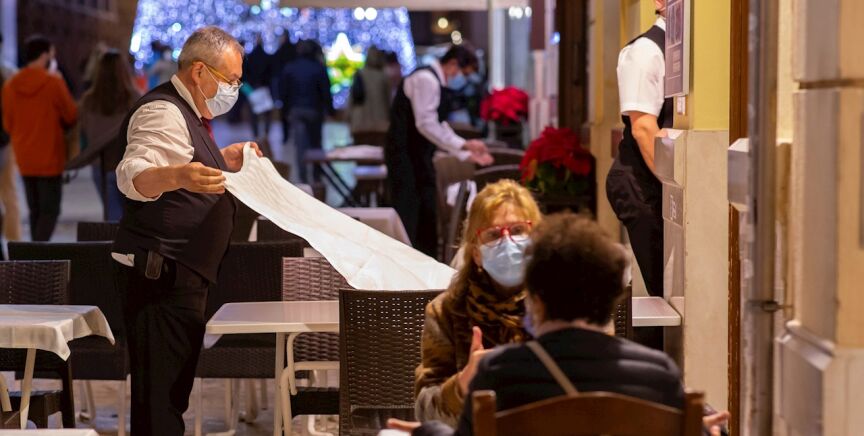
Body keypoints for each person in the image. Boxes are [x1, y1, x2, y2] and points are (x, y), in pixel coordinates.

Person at [393, 213, 731, 436]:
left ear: (536, 298)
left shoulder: (498, 376)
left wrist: (428, 431)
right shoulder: (658, 376)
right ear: (611, 297)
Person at [113, 26, 260, 435]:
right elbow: (133, 174)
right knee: (160, 403)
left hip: (181, 274)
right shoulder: (162, 111)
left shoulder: (189, 114)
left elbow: (183, 159)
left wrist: (222, 159)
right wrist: (177, 175)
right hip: (160, 274)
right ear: (199, 72)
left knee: (171, 396)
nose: (234, 89)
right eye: (231, 80)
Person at [414, 179, 541, 426]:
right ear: (476, 254)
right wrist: (461, 385)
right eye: (493, 234)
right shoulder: (447, 311)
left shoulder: (565, 302)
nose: (508, 243)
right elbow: (424, 410)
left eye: (517, 230)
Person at [386, 45, 493, 257]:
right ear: (453, 64)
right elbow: (426, 124)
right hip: (405, 157)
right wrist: (462, 147)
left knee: (426, 212)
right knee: (410, 214)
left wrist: (465, 148)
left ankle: (424, 260)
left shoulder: (435, 80)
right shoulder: (426, 79)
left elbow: (438, 124)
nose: (463, 79)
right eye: (464, 73)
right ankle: (407, 262)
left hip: (418, 156)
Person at [605, 0, 670, 298]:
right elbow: (643, 128)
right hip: (641, 185)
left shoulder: (678, 49)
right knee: (659, 289)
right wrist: (675, 190)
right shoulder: (645, 51)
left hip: (655, 182)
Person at [2, 35, 77, 241]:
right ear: (44, 56)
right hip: (50, 156)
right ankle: (38, 249)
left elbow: (7, 124)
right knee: (50, 210)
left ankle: (35, 249)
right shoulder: (54, 83)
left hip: (24, 156)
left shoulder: (10, 85)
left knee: (34, 209)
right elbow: (71, 115)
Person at [79, 49, 140, 221]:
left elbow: (85, 131)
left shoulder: (89, 101)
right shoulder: (134, 98)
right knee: (132, 217)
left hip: (101, 164)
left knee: (112, 218)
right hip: (128, 163)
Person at [279, 39, 333, 183]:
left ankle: (303, 178)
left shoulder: (290, 67)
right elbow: (325, 91)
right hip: (314, 111)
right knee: (316, 144)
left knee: (300, 146)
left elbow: (284, 92)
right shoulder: (318, 68)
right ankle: (316, 176)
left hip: (296, 111)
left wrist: (285, 112)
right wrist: (330, 110)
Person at [0, 31, 21, 244]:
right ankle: (13, 240)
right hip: (7, 140)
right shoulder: (10, 73)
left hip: (6, 140)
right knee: (9, 192)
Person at [348, 46, 391, 136]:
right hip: (380, 121)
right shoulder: (383, 76)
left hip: (360, 121)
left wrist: (348, 117)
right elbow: (388, 100)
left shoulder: (359, 74)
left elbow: (352, 99)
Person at [243, 36, 274, 138]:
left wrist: (248, 89)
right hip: (264, 87)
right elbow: (271, 74)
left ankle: (256, 134)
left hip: (253, 88)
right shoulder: (267, 57)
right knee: (267, 113)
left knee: (254, 113)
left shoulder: (250, 57)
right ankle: (266, 133)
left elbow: (245, 74)